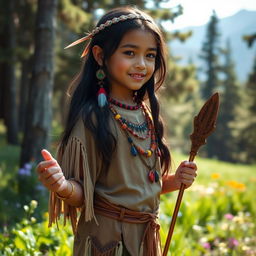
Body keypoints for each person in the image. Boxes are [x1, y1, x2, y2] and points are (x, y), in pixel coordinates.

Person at [36, 6, 197, 256]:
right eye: (130, 53)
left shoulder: (146, 114)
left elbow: (139, 188)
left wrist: (175, 181)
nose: (141, 64)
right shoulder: (93, 118)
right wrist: (62, 186)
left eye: (150, 55)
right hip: (106, 242)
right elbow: (83, 195)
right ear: (100, 56)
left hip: (143, 240)